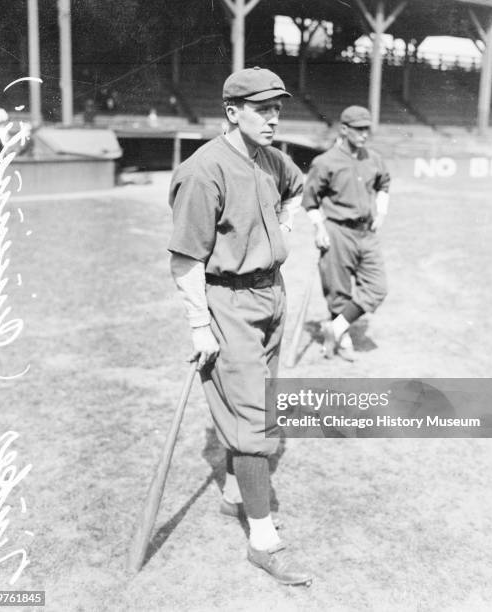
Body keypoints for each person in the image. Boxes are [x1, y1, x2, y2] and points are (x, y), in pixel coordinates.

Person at [168, 67, 312, 586]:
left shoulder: (273, 159)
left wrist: (286, 227)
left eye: (278, 108)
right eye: (263, 108)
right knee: (254, 420)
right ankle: (263, 540)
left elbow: (298, 188)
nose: (274, 117)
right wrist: (200, 326)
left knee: (263, 402)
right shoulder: (203, 170)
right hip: (229, 300)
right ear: (233, 112)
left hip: (273, 292)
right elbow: (185, 261)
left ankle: (233, 495)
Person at [302, 105, 390, 361]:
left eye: (367, 129)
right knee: (338, 292)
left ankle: (336, 328)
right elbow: (310, 200)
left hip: (366, 232)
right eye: (359, 129)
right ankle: (343, 339)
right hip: (337, 231)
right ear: (344, 129)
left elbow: (384, 183)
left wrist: (381, 212)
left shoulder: (373, 158)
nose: (364, 134)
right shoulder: (325, 162)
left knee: (377, 288)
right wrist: (318, 227)